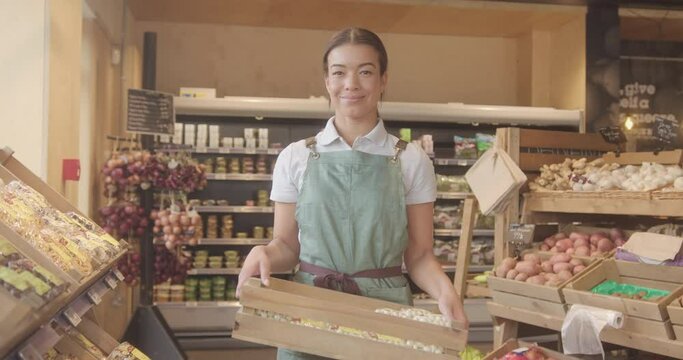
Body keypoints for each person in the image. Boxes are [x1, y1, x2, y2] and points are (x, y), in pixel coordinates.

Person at [237, 27, 468, 359]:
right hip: (308, 312)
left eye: (365, 72)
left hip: (385, 314)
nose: (351, 84)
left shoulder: (410, 159)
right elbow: (287, 246)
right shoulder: (296, 156)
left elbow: (417, 255)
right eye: (339, 72)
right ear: (327, 82)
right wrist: (264, 253)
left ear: (383, 80)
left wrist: (446, 294)